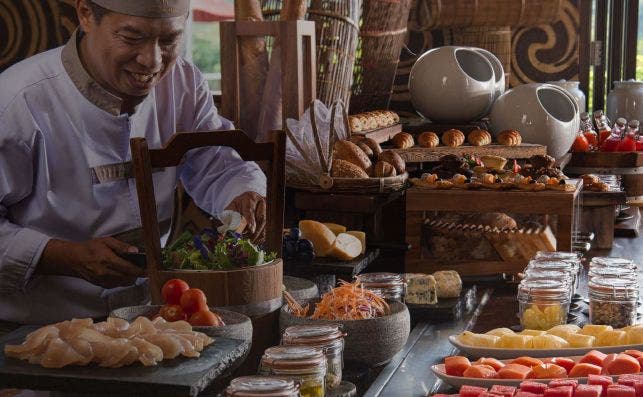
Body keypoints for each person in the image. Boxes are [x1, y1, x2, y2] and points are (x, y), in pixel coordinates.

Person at [0, 0, 267, 326]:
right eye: (131, 37)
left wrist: (243, 192)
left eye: (169, 40)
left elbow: (217, 160)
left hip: (151, 319)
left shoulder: (182, 83)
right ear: (86, 14)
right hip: (35, 328)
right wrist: (61, 255)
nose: (152, 61)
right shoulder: (17, 101)